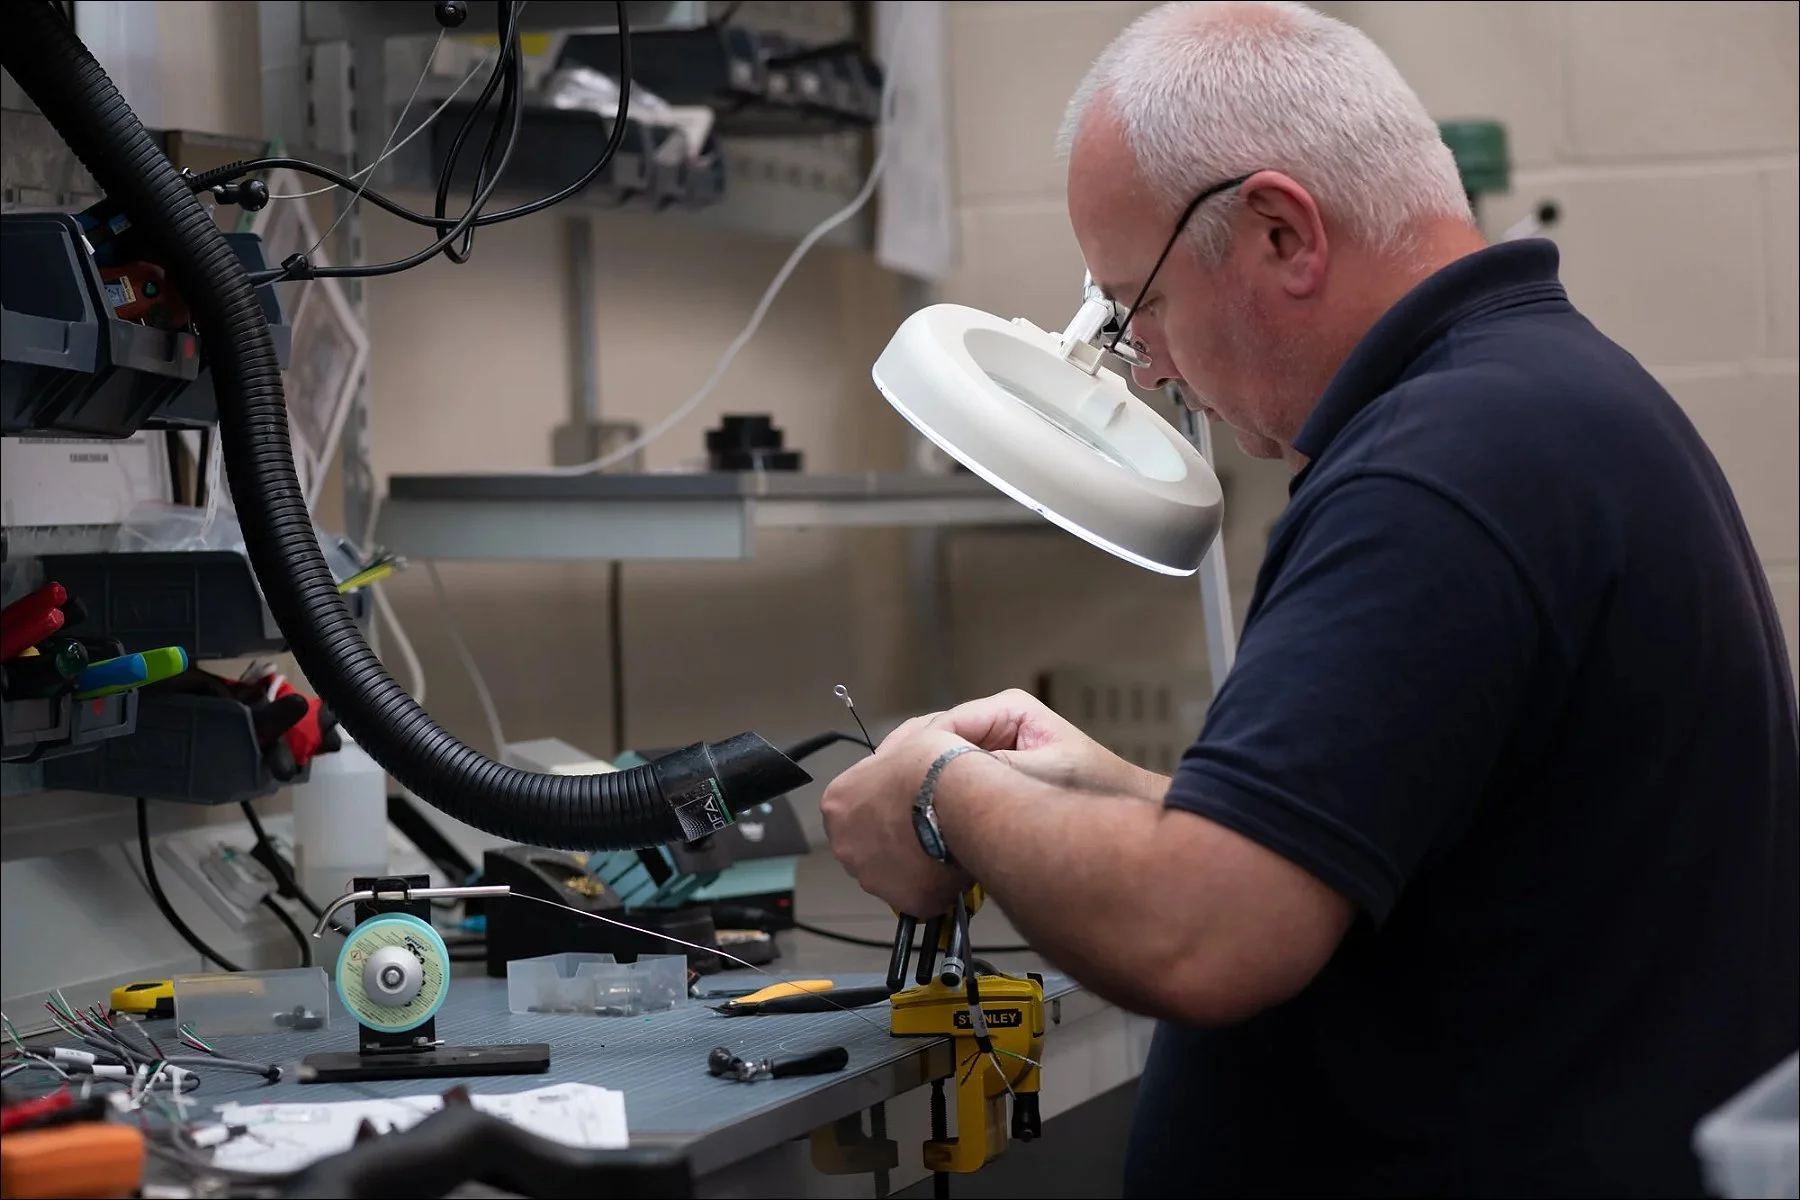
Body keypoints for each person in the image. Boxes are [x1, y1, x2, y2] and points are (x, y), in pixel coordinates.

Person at [819, 2, 1800, 1197]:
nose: (1158, 368)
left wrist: (942, 792)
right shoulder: (1545, 403)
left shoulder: (1439, 472)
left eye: (1144, 309)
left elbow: (1207, 934)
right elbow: (1421, 846)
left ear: (1284, 233)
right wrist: (1119, 795)